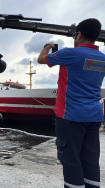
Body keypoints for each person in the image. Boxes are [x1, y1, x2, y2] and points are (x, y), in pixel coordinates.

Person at [37, 18, 105, 188]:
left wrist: (48, 46)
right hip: (95, 115)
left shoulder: (71, 53)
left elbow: (41, 59)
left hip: (70, 115)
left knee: (70, 159)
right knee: (90, 159)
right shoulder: (102, 58)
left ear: (79, 34)